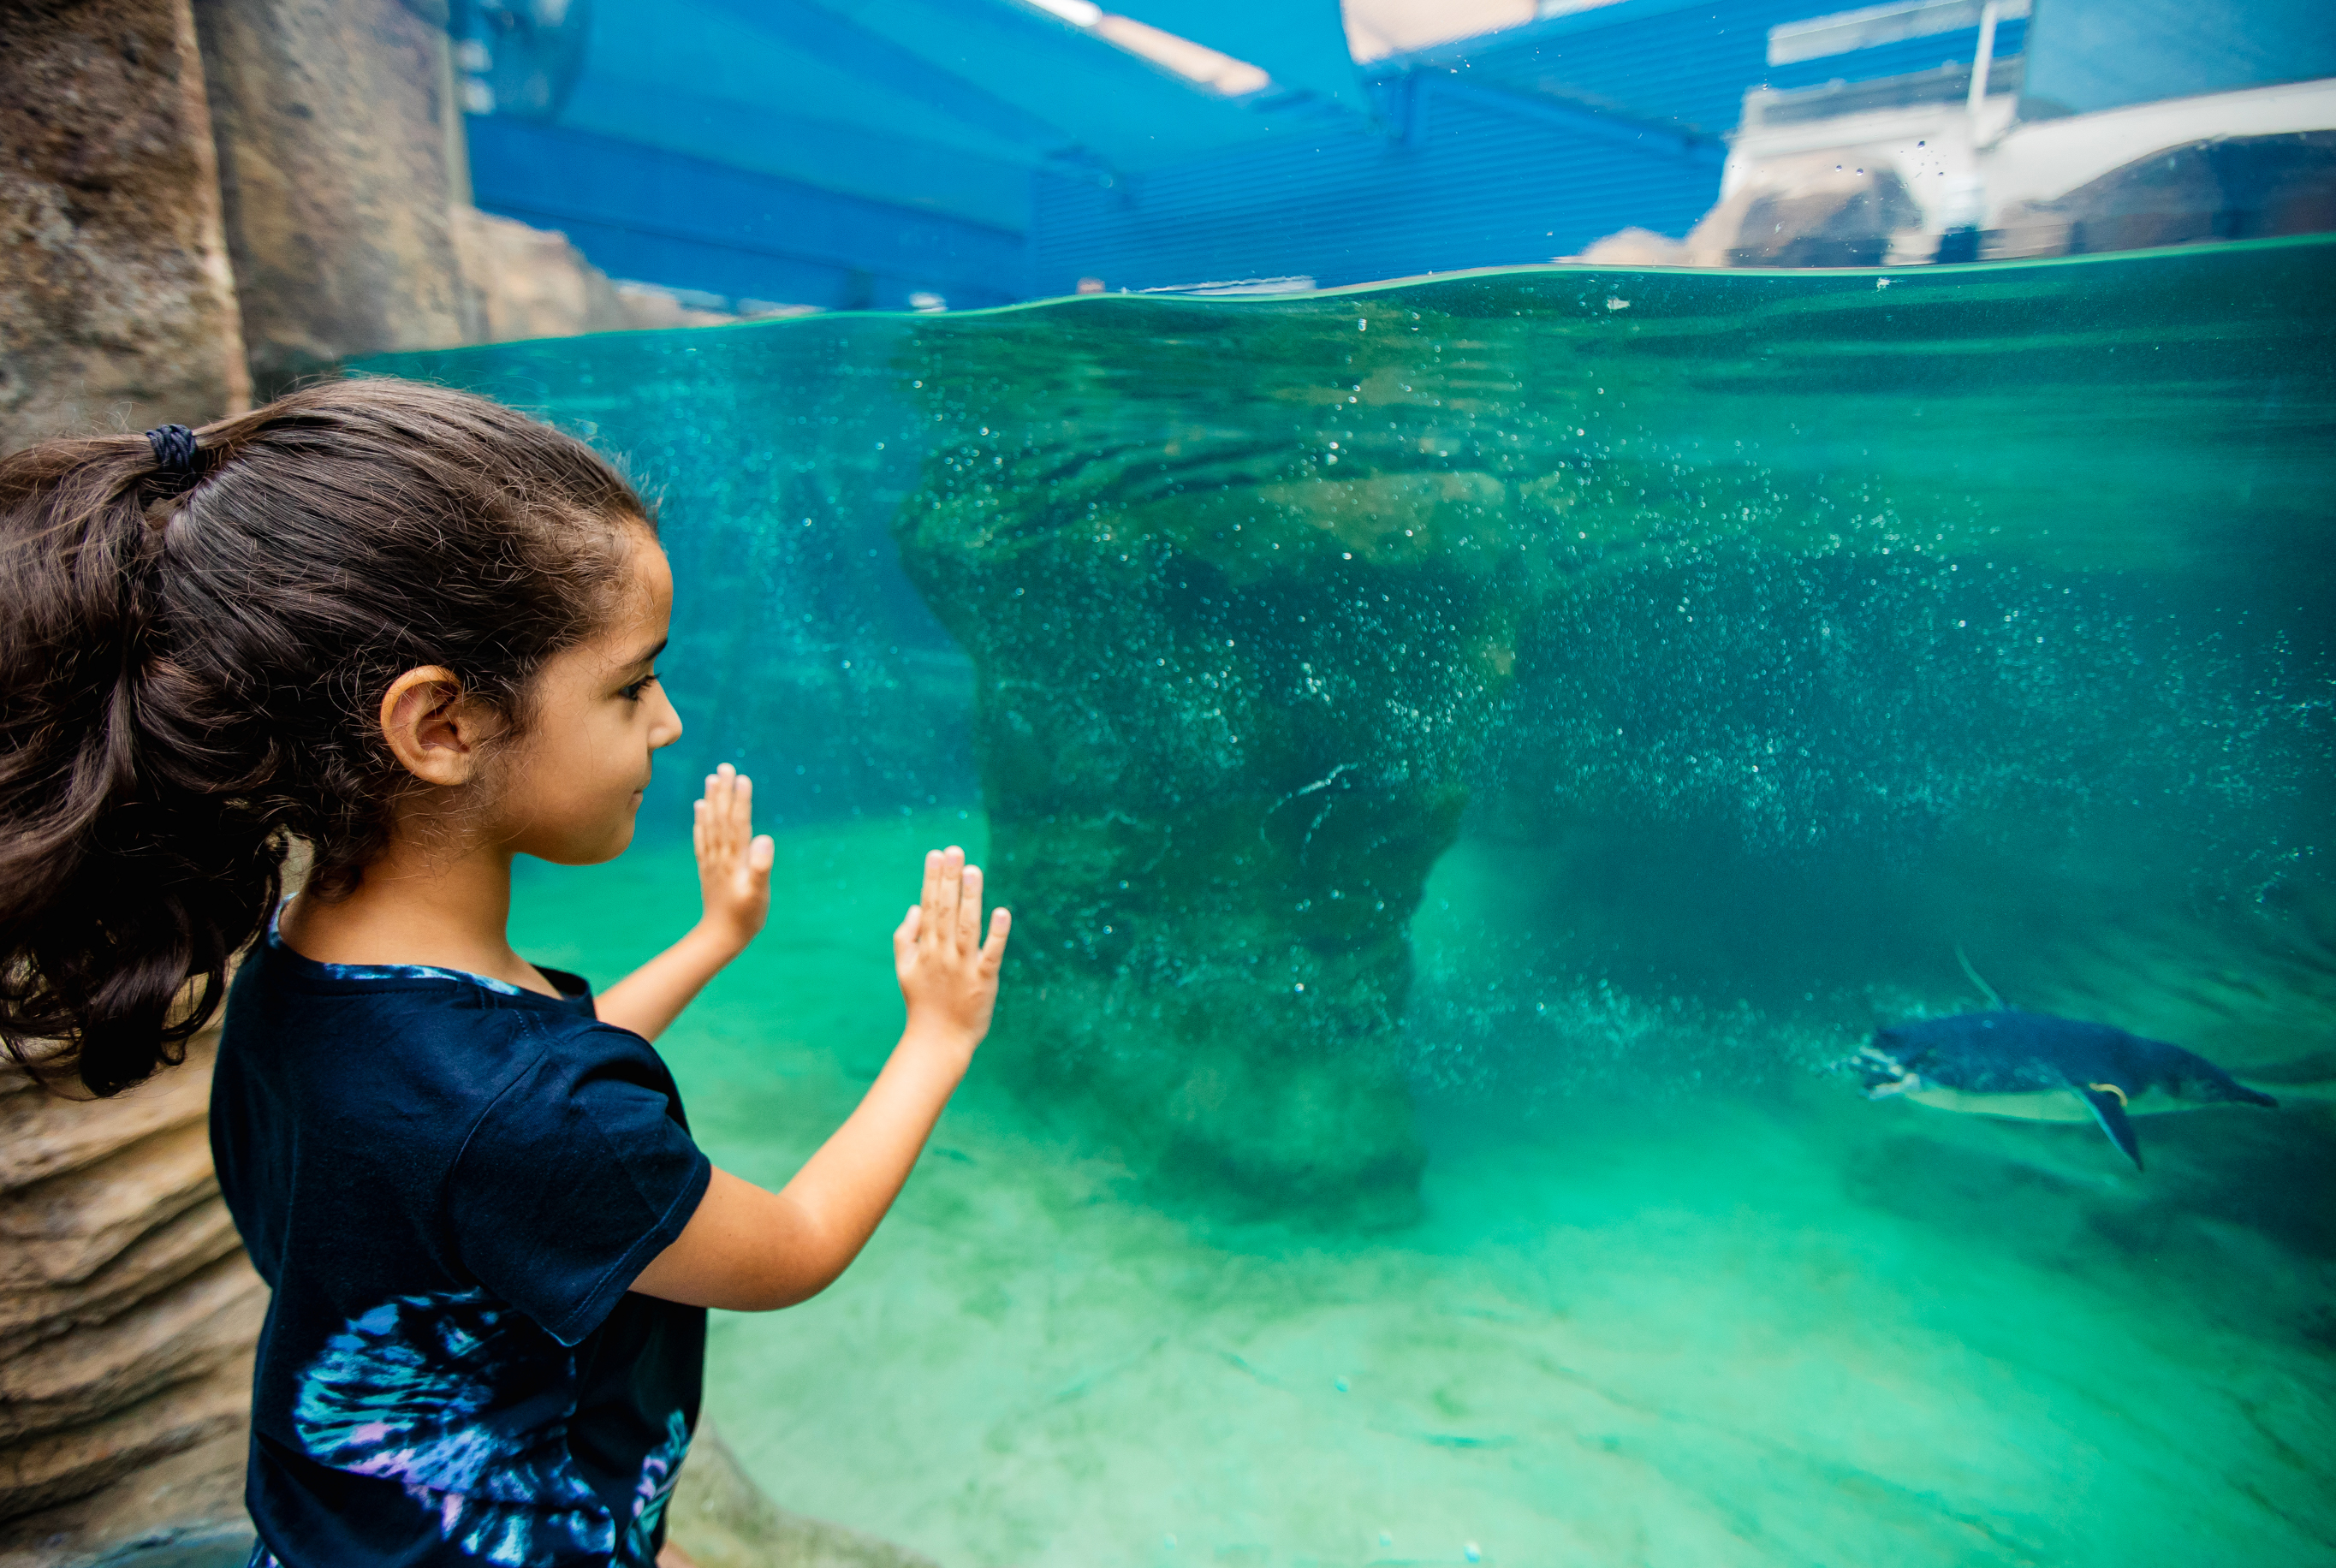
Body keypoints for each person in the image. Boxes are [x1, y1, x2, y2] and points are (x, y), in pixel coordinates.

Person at [0, 379, 1010, 1566]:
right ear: (439, 726)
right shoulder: (526, 1116)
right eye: (631, 684)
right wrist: (935, 1038)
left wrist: (707, 942)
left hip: (340, 1525)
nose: (668, 722)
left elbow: (496, 1122)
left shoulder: (301, 969)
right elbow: (788, 1246)